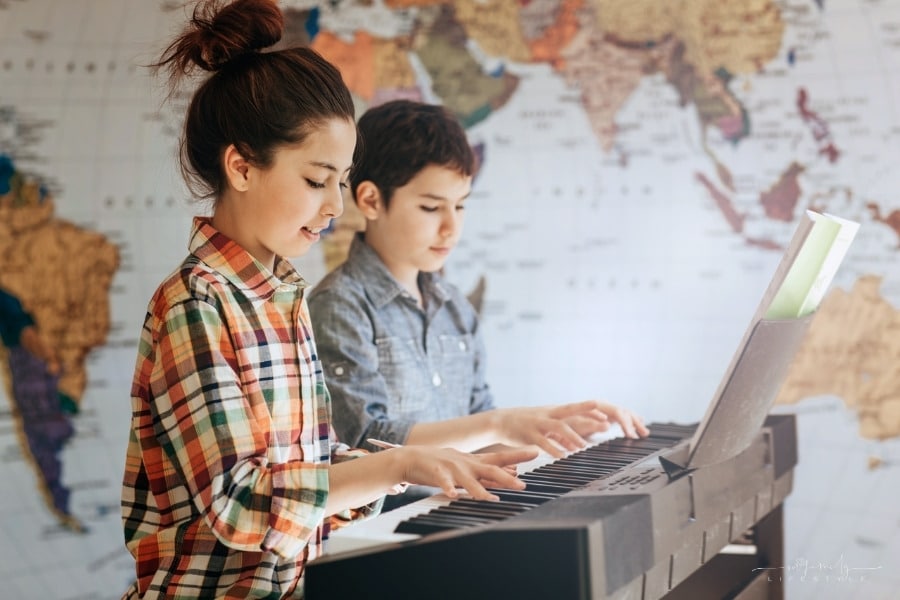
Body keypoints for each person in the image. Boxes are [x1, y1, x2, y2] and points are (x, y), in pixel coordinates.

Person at [120, 2, 537, 598]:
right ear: (241, 167)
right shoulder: (195, 304)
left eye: (340, 182)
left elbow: (309, 463)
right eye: (317, 180)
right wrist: (397, 465)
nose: (336, 206)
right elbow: (238, 503)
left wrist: (423, 464)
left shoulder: (281, 296)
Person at [308, 99, 649, 509]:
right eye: (431, 207)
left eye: (461, 205)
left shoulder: (454, 306)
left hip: (454, 509)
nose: (451, 227)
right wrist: (500, 423)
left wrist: (558, 430)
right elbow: (366, 440)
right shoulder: (338, 306)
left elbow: (484, 435)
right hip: (379, 526)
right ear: (371, 201)